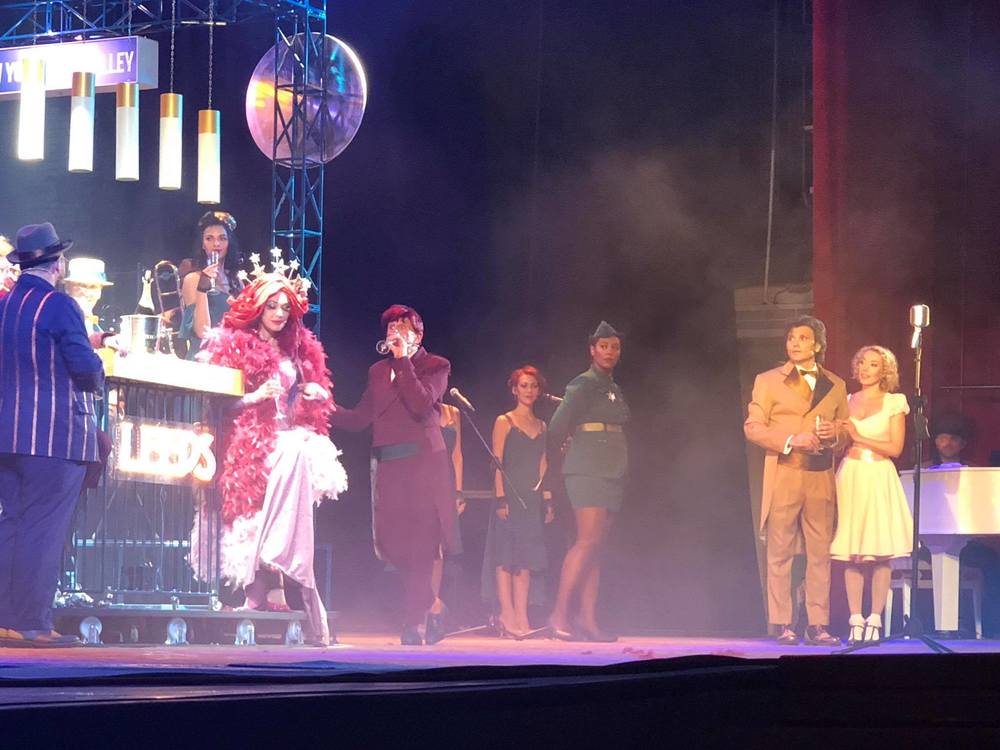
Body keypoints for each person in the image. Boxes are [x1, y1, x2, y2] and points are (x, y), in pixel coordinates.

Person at [194, 259, 347, 646]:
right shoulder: (233, 346)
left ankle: (275, 577)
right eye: (272, 306)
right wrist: (254, 396)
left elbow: (309, 405)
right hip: (248, 442)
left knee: (299, 451)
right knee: (287, 463)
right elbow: (216, 405)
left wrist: (317, 394)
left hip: (285, 438)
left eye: (285, 308)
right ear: (258, 307)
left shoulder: (296, 350)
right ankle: (266, 582)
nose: (279, 314)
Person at [0, 222, 104, 648]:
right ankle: (32, 624)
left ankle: (6, 621)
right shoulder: (60, 305)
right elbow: (85, 369)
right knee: (43, 531)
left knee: (13, 525)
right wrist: (98, 363)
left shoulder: (5, 305)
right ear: (57, 264)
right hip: (54, 437)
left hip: (8, 435)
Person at [330, 305, 458, 646]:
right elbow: (360, 417)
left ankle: (413, 624)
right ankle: (434, 605)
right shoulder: (377, 370)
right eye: (390, 329)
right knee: (389, 544)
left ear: (418, 335)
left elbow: (421, 403)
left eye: (402, 329)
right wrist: (324, 407)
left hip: (424, 463)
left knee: (421, 548)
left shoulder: (436, 365)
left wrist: (403, 362)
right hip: (389, 465)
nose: (394, 335)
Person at [744, 315, 848, 646]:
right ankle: (782, 622)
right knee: (780, 550)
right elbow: (753, 427)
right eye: (791, 338)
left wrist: (836, 433)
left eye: (803, 338)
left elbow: (846, 428)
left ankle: (817, 624)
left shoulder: (835, 383)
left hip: (820, 474)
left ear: (817, 345)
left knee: (819, 553)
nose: (795, 343)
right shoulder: (768, 380)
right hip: (786, 470)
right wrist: (791, 439)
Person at [547, 321, 629, 643]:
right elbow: (556, 428)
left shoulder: (613, 387)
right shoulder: (582, 383)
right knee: (586, 540)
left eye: (615, 347)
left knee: (596, 547)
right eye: (603, 346)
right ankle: (558, 615)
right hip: (587, 468)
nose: (610, 352)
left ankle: (587, 620)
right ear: (592, 350)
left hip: (612, 469)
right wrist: (563, 456)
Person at [829, 345, 912, 643]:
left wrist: (858, 436)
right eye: (862, 362)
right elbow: (840, 443)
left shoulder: (894, 402)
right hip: (850, 475)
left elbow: (895, 448)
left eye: (873, 364)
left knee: (879, 552)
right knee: (852, 551)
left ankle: (875, 618)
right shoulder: (847, 400)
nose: (865, 368)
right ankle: (855, 619)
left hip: (878, 475)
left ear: (884, 370)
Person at [482, 365, 554, 638]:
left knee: (525, 559)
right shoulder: (505, 421)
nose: (529, 390)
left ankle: (522, 615)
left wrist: (547, 499)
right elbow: (497, 462)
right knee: (506, 556)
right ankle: (506, 613)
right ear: (514, 390)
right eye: (524, 385)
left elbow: (544, 464)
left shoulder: (542, 426)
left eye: (534, 386)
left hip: (531, 497)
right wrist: (501, 498)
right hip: (509, 496)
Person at [180, 211, 243, 359]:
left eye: (222, 238)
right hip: (204, 358)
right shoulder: (193, 279)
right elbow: (202, 332)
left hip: (231, 358)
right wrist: (202, 289)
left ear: (228, 243)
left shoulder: (237, 282)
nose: (216, 244)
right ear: (203, 244)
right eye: (209, 238)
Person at [431, 402, 464, 613]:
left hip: (446, 484)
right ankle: (421, 609)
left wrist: (458, 491)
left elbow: (457, 455)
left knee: (439, 547)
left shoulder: (453, 412)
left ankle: (431, 608)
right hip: (422, 481)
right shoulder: (415, 409)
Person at [62, 257, 116, 348]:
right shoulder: (60, 320)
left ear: (100, 292)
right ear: (67, 288)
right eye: (82, 286)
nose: (88, 293)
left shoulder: (94, 325)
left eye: (94, 287)